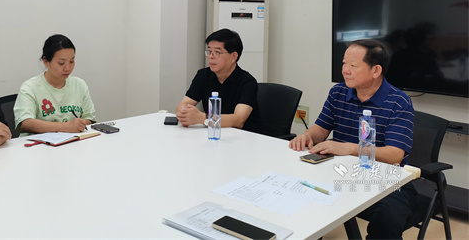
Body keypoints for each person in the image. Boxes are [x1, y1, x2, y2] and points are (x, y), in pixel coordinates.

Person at [289, 39, 415, 239]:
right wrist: (307, 136)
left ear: (376, 70)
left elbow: (395, 155)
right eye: (344, 64)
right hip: (339, 171)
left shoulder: (399, 102)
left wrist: (349, 148)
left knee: (387, 219)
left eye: (353, 66)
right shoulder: (338, 92)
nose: (345, 70)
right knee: (295, 192)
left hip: (385, 179)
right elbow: (320, 129)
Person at [176, 28, 261, 132]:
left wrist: (202, 118)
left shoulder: (247, 82)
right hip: (211, 133)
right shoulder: (203, 75)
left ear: (233, 56)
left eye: (217, 52)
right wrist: (186, 114)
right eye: (209, 51)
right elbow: (182, 105)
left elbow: (238, 120)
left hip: (243, 137)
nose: (211, 57)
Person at [14, 34, 96, 135]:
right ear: (46, 61)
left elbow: (89, 119)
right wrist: (66, 127)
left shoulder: (79, 85)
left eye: (71, 61)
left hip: (73, 141)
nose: (68, 68)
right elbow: (26, 123)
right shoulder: (30, 87)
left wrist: (79, 124)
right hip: (40, 143)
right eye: (61, 63)